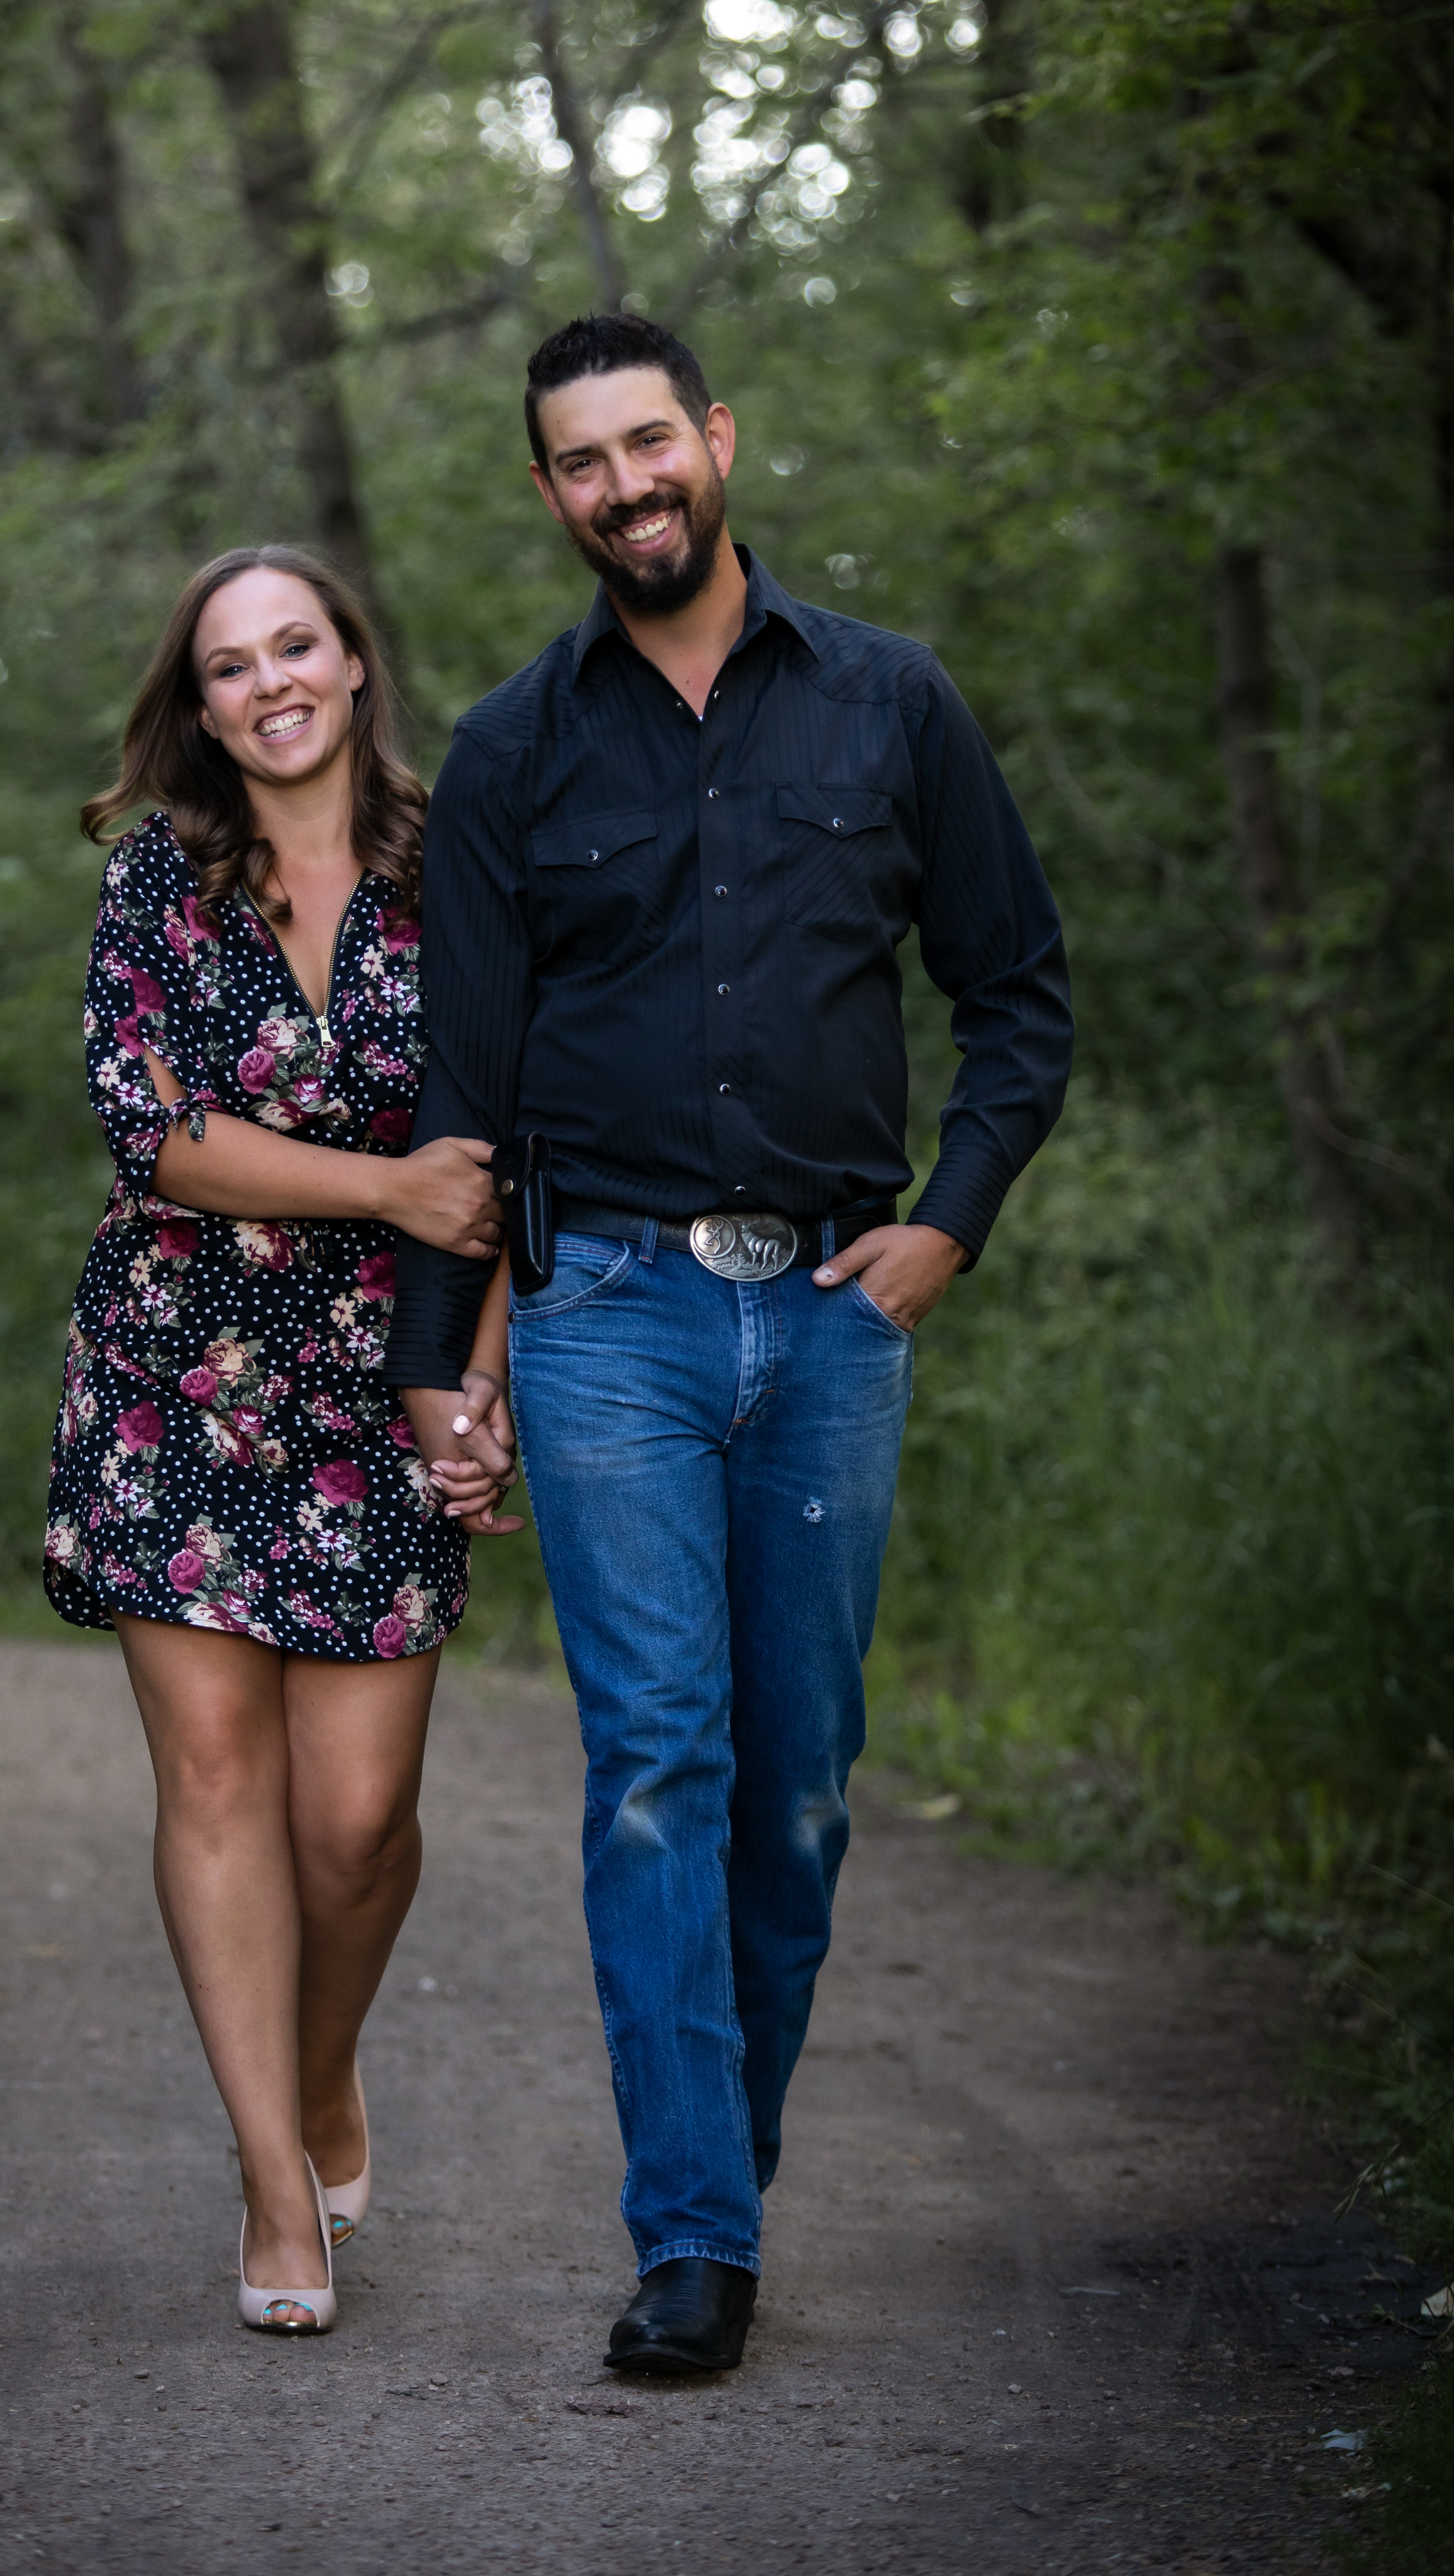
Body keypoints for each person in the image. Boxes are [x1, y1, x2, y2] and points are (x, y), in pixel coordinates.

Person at [386, 316, 1073, 2375]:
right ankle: (695, 2242)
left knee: (800, 1792)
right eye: (581, 463)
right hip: (604, 1319)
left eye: (650, 442)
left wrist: (945, 1226)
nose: (627, 485)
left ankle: (723, 2177)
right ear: (550, 500)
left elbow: (1020, 996)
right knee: (660, 1773)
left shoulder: (892, 703)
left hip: (839, 1321)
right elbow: (463, 1081)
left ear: (719, 443)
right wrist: (450, 1354)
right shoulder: (515, 751)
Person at [45, 545, 518, 2338]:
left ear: (354, 661)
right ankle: (270, 2174)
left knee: (358, 1818)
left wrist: (485, 1385)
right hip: (177, 1364)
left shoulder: (465, 867)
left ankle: (326, 2070)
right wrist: (389, 1180)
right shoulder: (159, 883)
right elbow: (156, 1131)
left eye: (295, 645)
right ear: (203, 701)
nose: (270, 683)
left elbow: (514, 1149)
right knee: (223, 1788)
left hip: (381, 1377)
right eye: (230, 664)